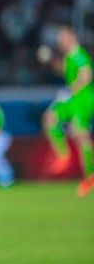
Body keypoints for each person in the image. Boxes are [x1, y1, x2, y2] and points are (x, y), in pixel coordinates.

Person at [39, 27, 94, 197]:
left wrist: (74, 88)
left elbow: (87, 74)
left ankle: (90, 176)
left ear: (71, 37)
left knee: (81, 134)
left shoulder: (79, 54)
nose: (60, 42)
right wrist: (51, 60)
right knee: (50, 118)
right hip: (72, 98)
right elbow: (64, 70)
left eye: (63, 38)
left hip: (82, 99)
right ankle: (63, 155)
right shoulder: (70, 56)